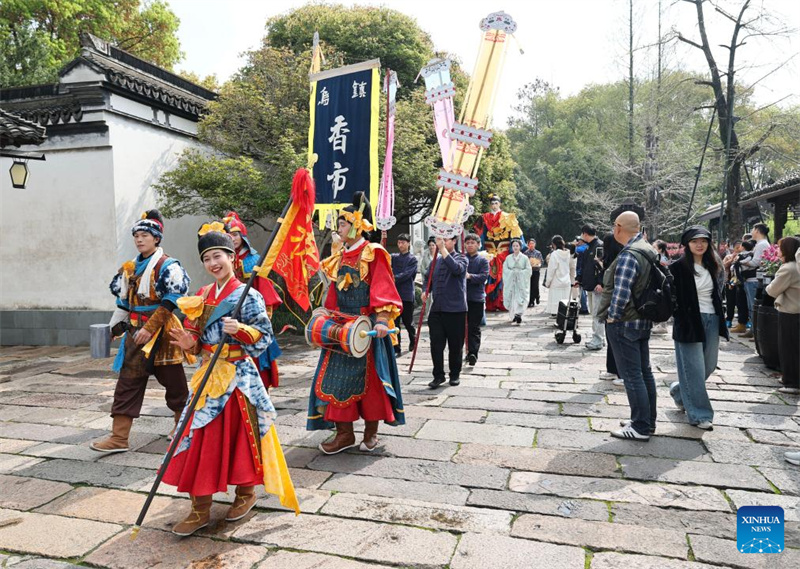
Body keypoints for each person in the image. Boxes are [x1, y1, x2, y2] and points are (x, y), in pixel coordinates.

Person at [165, 224, 297, 536]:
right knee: (196, 439)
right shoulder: (202, 295)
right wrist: (189, 343)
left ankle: (246, 493)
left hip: (239, 379)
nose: (213, 263)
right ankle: (199, 508)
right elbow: (198, 339)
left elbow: (264, 337)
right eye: (207, 258)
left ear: (232, 257)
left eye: (219, 256)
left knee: (241, 438)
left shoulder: (247, 295)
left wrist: (241, 330)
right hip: (208, 376)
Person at [306, 192, 405, 455]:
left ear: (357, 225)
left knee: (371, 383)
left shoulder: (374, 252)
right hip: (341, 328)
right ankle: (344, 434)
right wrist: (325, 317)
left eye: (342, 223)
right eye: (338, 223)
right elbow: (333, 294)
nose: (338, 228)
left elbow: (383, 286)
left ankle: (370, 433)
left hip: (367, 327)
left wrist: (383, 318)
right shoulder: (339, 256)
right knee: (335, 380)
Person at [91, 210, 190, 454]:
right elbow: (124, 302)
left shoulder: (168, 265)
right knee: (127, 382)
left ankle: (184, 428)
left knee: (175, 384)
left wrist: (150, 328)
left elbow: (171, 301)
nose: (139, 239)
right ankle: (119, 437)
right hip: (135, 334)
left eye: (144, 235)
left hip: (164, 334)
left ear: (156, 238)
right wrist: (114, 329)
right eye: (136, 235)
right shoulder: (130, 267)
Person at [597, 211, 658, 441]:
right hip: (643, 318)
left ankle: (640, 426)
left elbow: (621, 292)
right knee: (645, 372)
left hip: (625, 322)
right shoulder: (648, 248)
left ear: (619, 227)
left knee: (632, 375)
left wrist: (612, 317)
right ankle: (646, 420)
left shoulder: (629, 254)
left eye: (615, 225)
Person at [668, 226, 729, 431]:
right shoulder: (677, 267)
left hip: (712, 318)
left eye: (703, 240)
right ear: (687, 244)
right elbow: (671, 296)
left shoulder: (715, 265)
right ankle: (700, 414)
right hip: (688, 321)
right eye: (695, 241)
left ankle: (678, 391)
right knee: (693, 369)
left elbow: (719, 292)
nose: (700, 244)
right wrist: (678, 316)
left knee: (709, 365)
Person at [222, 211, 283, 390]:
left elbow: (266, 291)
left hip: (251, 318)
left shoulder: (254, 260)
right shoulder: (222, 259)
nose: (232, 238)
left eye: (235, 234)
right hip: (229, 318)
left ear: (242, 235)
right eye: (228, 235)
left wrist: (264, 319)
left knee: (257, 365)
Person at [424, 235, 468, 388]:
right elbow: (427, 278)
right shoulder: (435, 261)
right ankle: (438, 375)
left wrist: (442, 249)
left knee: (455, 346)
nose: (442, 242)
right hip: (437, 309)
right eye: (440, 240)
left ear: (454, 241)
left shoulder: (462, 258)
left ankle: (454, 374)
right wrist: (425, 290)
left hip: (455, 310)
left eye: (446, 240)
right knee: (436, 344)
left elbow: (457, 270)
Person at [474, 194, 524, 311]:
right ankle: (490, 304)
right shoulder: (484, 217)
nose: (494, 205)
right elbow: (480, 236)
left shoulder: (508, 217)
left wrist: (514, 251)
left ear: (500, 204)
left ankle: (503, 303)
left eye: (496, 203)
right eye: (492, 203)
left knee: (506, 278)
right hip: (489, 252)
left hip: (504, 253)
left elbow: (516, 236)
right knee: (487, 276)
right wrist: (480, 251)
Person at [766, 237, 800, 395]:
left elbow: (772, 290)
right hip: (794, 311)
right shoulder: (795, 267)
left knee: (789, 347)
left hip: (790, 312)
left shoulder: (788, 268)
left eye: (779, 247)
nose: (777, 250)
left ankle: (792, 382)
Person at [600, 231, 623, 382]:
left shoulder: (619, 260)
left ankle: (620, 372)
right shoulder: (612, 260)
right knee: (611, 337)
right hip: (611, 303)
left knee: (616, 339)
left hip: (615, 304)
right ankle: (612, 369)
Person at [576, 225, 605, 350]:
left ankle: (598, 339)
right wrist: (580, 280)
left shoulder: (599, 246)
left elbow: (603, 267)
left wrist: (601, 283)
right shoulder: (589, 247)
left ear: (585, 234)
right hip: (590, 285)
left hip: (597, 286)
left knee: (597, 313)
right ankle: (597, 337)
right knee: (594, 313)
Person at [739, 223, 771, 338]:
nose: (752, 232)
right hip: (753, 279)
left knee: (753, 306)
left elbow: (755, 263)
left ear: (757, 230)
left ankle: (755, 331)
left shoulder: (761, 244)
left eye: (753, 229)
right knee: (751, 306)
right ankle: (753, 330)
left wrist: (741, 262)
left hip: (754, 279)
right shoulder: (762, 244)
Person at [391, 233, 418, 356]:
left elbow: (407, 275)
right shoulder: (394, 257)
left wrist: (392, 278)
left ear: (408, 243)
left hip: (406, 294)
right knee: (395, 323)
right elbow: (383, 257)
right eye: (399, 242)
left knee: (408, 322)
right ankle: (397, 348)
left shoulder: (412, 259)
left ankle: (413, 340)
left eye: (403, 242)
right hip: (394, 295)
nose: (400, 245)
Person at [465, 233, 490, 366]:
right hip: (461, 299)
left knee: (474, 327)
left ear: (478, 245)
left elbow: (483, 277)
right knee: (462, 328)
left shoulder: (482, 261)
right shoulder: (461, 259)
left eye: (472, 242)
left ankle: (473, 352)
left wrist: (469, 276)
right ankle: (466, 351)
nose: (470, 245)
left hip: (476, 298)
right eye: (467, 243)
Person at [503, 238, 532, 324]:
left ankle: (518, 314)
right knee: (512, 297)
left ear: (520, 246)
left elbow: (528, 270)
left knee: (520, 297)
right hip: (511, 280)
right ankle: (513, 315)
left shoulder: (525, 258)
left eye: (517, 245)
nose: (515, 247)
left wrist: (520, 273)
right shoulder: (508, 258)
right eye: (513, 246)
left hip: (521, 281)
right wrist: (512, 273)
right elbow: (505, 269)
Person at [544, 235, 574, 317]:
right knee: (565, 298)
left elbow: (551, 270)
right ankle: (565, 314)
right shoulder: (568, 253)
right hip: (566, 280)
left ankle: (555, 314)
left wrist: (548, 282)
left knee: (556, 299)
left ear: (553, 244)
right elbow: (572, 267)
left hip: (556, 281)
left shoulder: (554, 254)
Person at [525, 238, 543, 306]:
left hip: (536, 271)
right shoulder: (526, 253)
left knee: (535, 286)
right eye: (530, 243)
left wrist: (538, 264)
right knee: (529, 286)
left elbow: (541, 261)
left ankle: (537, 296)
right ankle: (531, 301)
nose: (531, 245)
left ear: (535, 244)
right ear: (528, 245)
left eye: (533, 243)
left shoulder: (538, 253)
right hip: (528, 272)